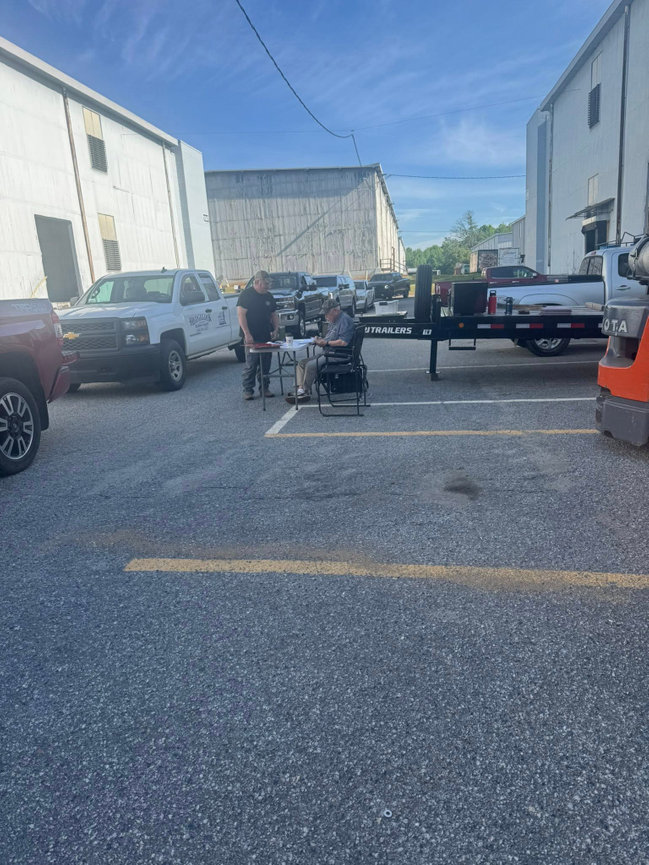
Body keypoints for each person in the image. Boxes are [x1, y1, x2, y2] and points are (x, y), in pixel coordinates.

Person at [289, 298, 355, 403]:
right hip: (329, 352)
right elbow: (330, 337)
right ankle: (300, 390)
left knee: (311, 365)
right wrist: (320, 340)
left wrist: (326, 343)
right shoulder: (334, 320)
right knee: (301, 363)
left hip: (339, 354)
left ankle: (304, 391)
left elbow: (343, 342)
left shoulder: (344, 320)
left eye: (327, 314)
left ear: (335, 311)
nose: (326, 317)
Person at [237, 271, 279, 400]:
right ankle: (248, 390)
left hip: (266, 334)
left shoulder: (269, 296)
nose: (267, 286)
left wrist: (276, 329)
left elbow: (273, 314)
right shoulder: (246, 295)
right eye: (265, 283)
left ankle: (264, 388)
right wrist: (247, 333)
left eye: (269, 284)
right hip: (252, 335)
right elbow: (241, 315)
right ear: (257, 282)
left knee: (265, 364)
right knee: (252, 364)